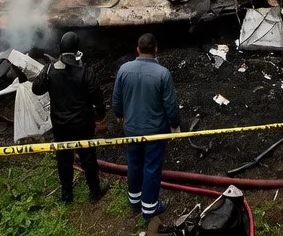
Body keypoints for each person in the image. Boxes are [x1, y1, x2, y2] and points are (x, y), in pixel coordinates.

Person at [113, 33, 181, 233]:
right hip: (154, 132)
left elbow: (117, 98)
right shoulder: (163, 74)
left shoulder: (124, 69)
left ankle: (134, 200)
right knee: (151, 167)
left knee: (134, 163)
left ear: (138, 49)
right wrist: (175, 125)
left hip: (132, 129)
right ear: (156, 50)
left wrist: (119, 114)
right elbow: (170, 104)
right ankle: (149, 208)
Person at [33, 31, 111, 205]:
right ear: (77, 49)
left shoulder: (50, 70)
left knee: (64, 158)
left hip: (60, 125)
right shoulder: (86, 71)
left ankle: (66, 194)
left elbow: (36, 89)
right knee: (88, 157)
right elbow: (97, 97)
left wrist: (47, 76)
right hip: (83, 123)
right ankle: (95, 191)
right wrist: (101, 117)